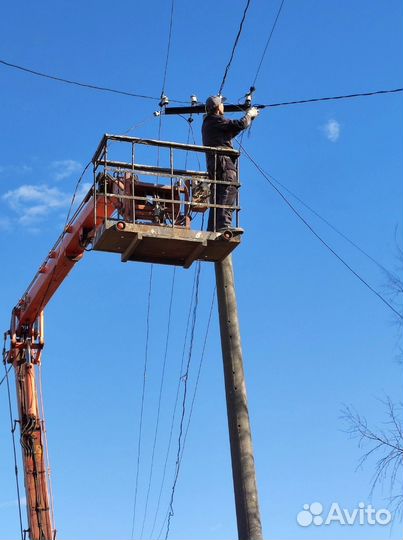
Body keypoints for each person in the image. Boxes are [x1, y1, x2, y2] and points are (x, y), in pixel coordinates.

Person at [201, 95, 259, 232]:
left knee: (218, 195)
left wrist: (248, 119)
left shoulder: (209, 123)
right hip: (223, 161)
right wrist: (249, 115)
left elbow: (231, 130)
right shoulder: (215, 120)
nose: (223, 106)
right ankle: (223, 226)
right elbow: (239, 124)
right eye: (222, 104)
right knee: (229, 188)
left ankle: (213, 227)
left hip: (215, 163)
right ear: (217, 107)